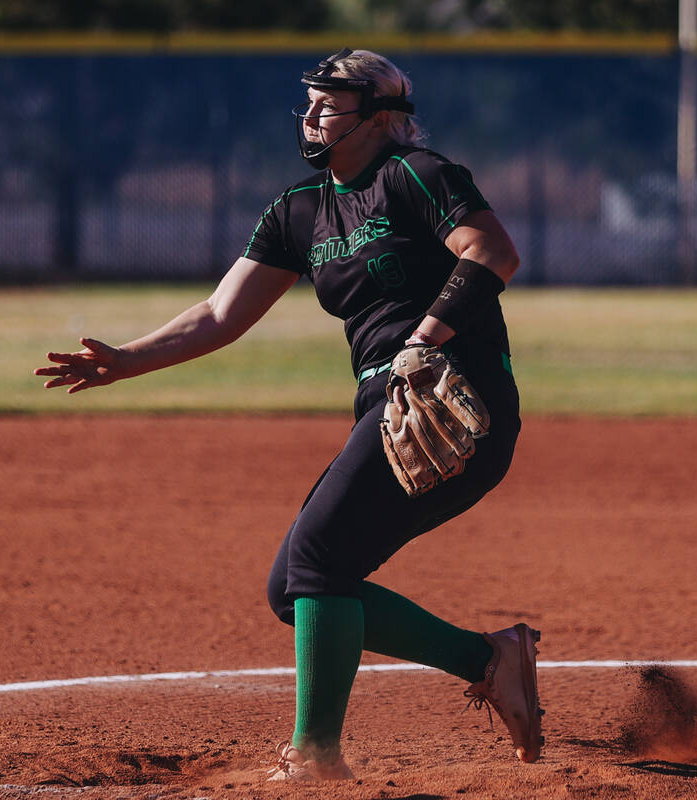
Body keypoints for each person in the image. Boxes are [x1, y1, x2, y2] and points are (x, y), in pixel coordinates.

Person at [35, 47, 542, 782]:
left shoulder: (417, 174)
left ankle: (315, 758)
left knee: (319, 563)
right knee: (293, 589)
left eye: (328, 103)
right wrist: (126, 360)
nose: (310, 115)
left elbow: (493, 253)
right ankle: (487, 659)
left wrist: (424, 341)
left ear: (379, 117)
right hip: (387, 404)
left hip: (453, 393)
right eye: (307, 101)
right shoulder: (299, 209)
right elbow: (218, 312)